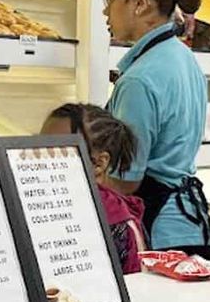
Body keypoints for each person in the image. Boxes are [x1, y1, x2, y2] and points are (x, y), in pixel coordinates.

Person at [105, 0, 210, 257]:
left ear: (140, 3)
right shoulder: (186, 60)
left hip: (159, 234)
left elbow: (127, 182)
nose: (105, 9)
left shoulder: (139, 80)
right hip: (192, 224)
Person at [42, 103, 146, 275]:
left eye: (56, 150)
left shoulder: (116, 224)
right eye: (37, 147)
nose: (39, 157)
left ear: (99, 163)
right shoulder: (45, 205)